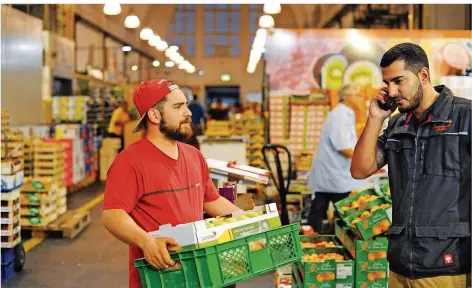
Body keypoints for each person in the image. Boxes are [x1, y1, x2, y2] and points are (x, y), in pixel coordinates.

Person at [101, 79, 242, 288]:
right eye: (178, 106)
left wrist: (253, 222)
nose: (189, 112)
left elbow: (211, 200)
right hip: (159, 276)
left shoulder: (194, 155)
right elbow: (112, 215)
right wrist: (146, 241)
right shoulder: (130, 162)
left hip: (196, 273)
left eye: (185, 104)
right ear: (154, 115)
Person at [351, 43, 471, 287]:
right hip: (399, 264)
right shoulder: (397, 126)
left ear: (423, 75)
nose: (391, 91)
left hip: (445, 266)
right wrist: (375, 118)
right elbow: (360, 170)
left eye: (398, 81)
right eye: (387, 83)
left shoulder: (465, 117)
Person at [307, 83, 366, 233]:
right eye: (358, 95)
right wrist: (364, 160)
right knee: (342, 210)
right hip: (333, 173)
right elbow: (343, 147)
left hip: (333, 173)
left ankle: (312, 238)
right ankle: (336, 239)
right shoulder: (339, 116)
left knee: (320, 207)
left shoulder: (345, 114)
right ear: (348, 97)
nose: (361, 98)